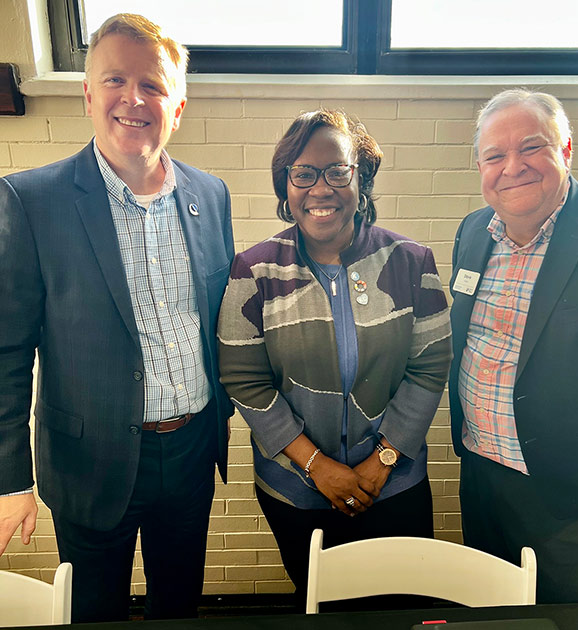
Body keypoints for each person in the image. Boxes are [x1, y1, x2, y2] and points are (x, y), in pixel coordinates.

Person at [0, 13, 234, 622]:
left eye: (154, 85)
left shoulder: (211, 196)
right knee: (93, 614)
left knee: (178, 608)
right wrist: (8, 480)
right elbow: (6, 352)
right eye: (115, 80)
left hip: (189, 453)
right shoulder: (30, 200)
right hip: (89, 462)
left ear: (177, 106)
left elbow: (217, 325)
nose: (134, 99)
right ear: (87, 93)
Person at [218, 109, 452, 602]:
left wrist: (383, 460)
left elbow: (429, 367)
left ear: (360, 179)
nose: (319, 187)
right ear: (286, 185)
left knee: (402, 605)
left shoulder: (411, 261)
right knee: (322, 604)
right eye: (302, 173)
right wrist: (316, 467)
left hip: (396, 485)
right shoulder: (254, 269)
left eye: (337, 171)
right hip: (297, 491)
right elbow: (244, 380)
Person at [449, 88, 578, 603]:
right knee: (486, 610)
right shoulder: (473, 232)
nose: (513, 167)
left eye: (531, 147)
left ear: (566, 150)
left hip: (570, 489)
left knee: (562, 617)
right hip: (482, 474)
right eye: (494, 156)